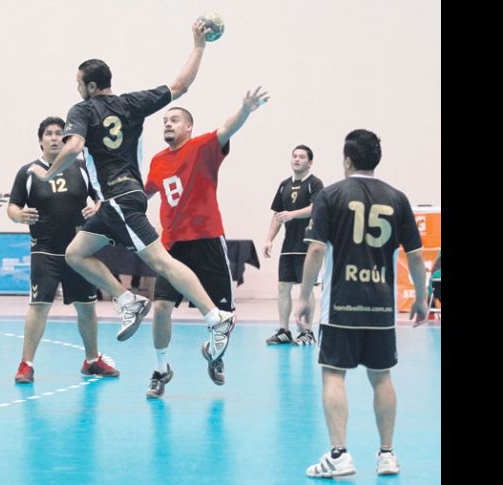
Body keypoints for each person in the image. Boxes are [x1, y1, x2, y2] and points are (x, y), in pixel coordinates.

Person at [27, 21, 236, 364]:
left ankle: (216, 318)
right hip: (117, 201)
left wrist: (48, 172)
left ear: (91, 86)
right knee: (75, 253)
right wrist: (199, 46)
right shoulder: (130, 104)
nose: (77, 89)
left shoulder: (82, 110)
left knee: (162, 263)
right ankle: (128, 301)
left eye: (79, 84)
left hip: (120, 198)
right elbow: (180, 86)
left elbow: (75, 144)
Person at [295, 129, 428, 478]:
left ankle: (339, 455)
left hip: (341, 303)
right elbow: (414, 256)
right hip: (381, 305)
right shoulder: (397, 198)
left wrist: (305, 296)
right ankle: (387, 454)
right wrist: (422, 297)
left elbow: (317, 249)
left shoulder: (331, 195)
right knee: (381, 376)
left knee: (333, 374)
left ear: (347, 159)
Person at [143, 87, 269, 398]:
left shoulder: (202, 148)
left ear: (189, 127)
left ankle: (213, 355)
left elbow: (228, 128)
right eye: (164, 121)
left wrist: (245, 109)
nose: (168, 124)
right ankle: (161, 370)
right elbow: (142, 195)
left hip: (208, 242)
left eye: (174, 120)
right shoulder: (158, 161)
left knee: (224, 317)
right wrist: (106, 206)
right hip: (172, 246)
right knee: (160, 308)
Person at [9, 116, 120, 383]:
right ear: (41, 140)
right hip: (44, 249)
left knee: (86, 307)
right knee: (39, 305)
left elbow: (101, 196)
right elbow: (12, 206)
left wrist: (97, 206)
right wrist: (19, 215)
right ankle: (26, 364)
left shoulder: (81, 167)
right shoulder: (28, 172)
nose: (55, 137)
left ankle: (92, 360)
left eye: (60, 133)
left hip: (78, 251)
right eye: (49, 133)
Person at [263, 145, 324, 345]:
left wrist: (292, 215)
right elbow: (278, 215)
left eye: (302, 157)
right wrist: (269, 239)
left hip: (307, 244)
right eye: (294, 156)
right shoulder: (284, 185)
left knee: (306, 289)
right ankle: (284, 330)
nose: (297, 159)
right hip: (288, 246)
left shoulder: (314, 184)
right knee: (283, 287)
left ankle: (307, 332)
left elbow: (315, 208)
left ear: (310, 162)